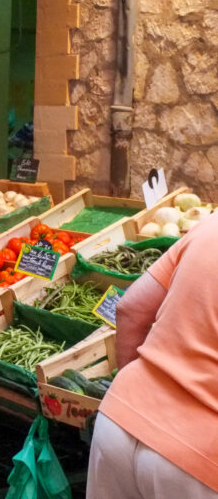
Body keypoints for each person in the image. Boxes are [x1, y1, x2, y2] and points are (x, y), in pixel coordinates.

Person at [87, 212, 218, 498]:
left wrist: (137, 402)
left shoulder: (211, 224)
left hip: (118, 421)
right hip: (199, 457)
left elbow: (130, 309)